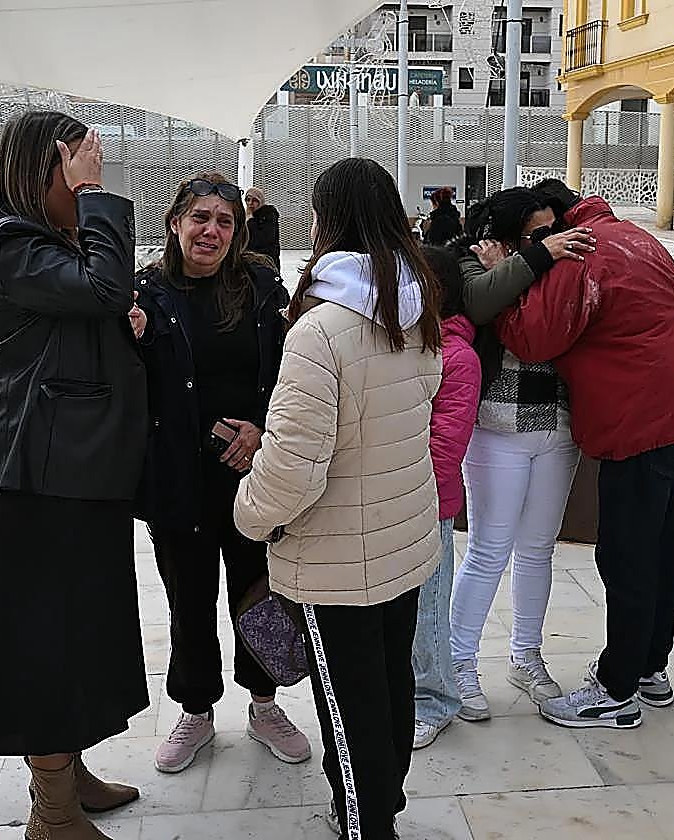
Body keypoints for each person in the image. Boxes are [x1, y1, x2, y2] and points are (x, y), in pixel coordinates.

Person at [234, 157, 443, 840]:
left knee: (349, 711)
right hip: (402, 543)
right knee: (388, 689)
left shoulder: (320, 332)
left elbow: (293, 471)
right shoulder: (415, 311)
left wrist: (248, 513)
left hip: (336, 565)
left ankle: (366, 824)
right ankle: (383, 802)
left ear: (324, 224)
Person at [0, 112, 148, 840]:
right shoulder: (7, 239)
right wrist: (98, 197)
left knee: (84, 632)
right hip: (41, 473)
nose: (85, 181)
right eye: (75, 167)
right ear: (46, 167)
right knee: (45, 640)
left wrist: (116, 318)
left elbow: (91, 305)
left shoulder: (39, 244)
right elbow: (101, 291)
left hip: (75, 467)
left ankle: (67, 771)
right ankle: (53, 810)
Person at [495, 180, 674, 730]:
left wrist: (505, 279)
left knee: (627, 558)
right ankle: (650, 669)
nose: (542, 241)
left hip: (640, 421)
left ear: (562, 218)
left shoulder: (581, 252)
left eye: (543, 231)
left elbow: (531, 339)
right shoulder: (634, 235)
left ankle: (616, 691)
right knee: (665, 548)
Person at [133, 173, 310, 774]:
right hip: (179, 476)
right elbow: (136, 387)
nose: (211, 231)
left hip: (252, 475)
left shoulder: (260, 286)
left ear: (237, 234)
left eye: (224, 222)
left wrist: (261, 430)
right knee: (189, 597)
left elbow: (290, 371)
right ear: (176, 223)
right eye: (200, 218)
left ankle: (265, 705)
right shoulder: (148, 293)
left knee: (258, 592)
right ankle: (196, 710)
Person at [446, 187, 596, 722]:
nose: (552, 239)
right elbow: (480, 302)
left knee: (538, 550)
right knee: (489, 549)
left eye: (554, 229)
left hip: (557, 427)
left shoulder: (566, 261)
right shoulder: (470, 264)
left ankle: (525, 655)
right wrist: (529, 259)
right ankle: (458, 660)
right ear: (502, 235)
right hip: (496, 427)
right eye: (538, 233)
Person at [411, 244, 481, 750]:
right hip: (390, 503)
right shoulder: (402, 345)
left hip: (428, 505)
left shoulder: (458, 357)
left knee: (429, 611)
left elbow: (446, 444)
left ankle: (436, 699)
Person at [244, 186, 281, 271]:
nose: (250, 203)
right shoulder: (246, 215)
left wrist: (250, 220)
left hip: (266, 262)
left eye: (255, 200)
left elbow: (262, 239)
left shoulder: (269, 215)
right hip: (249, 261)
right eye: (248, 199)